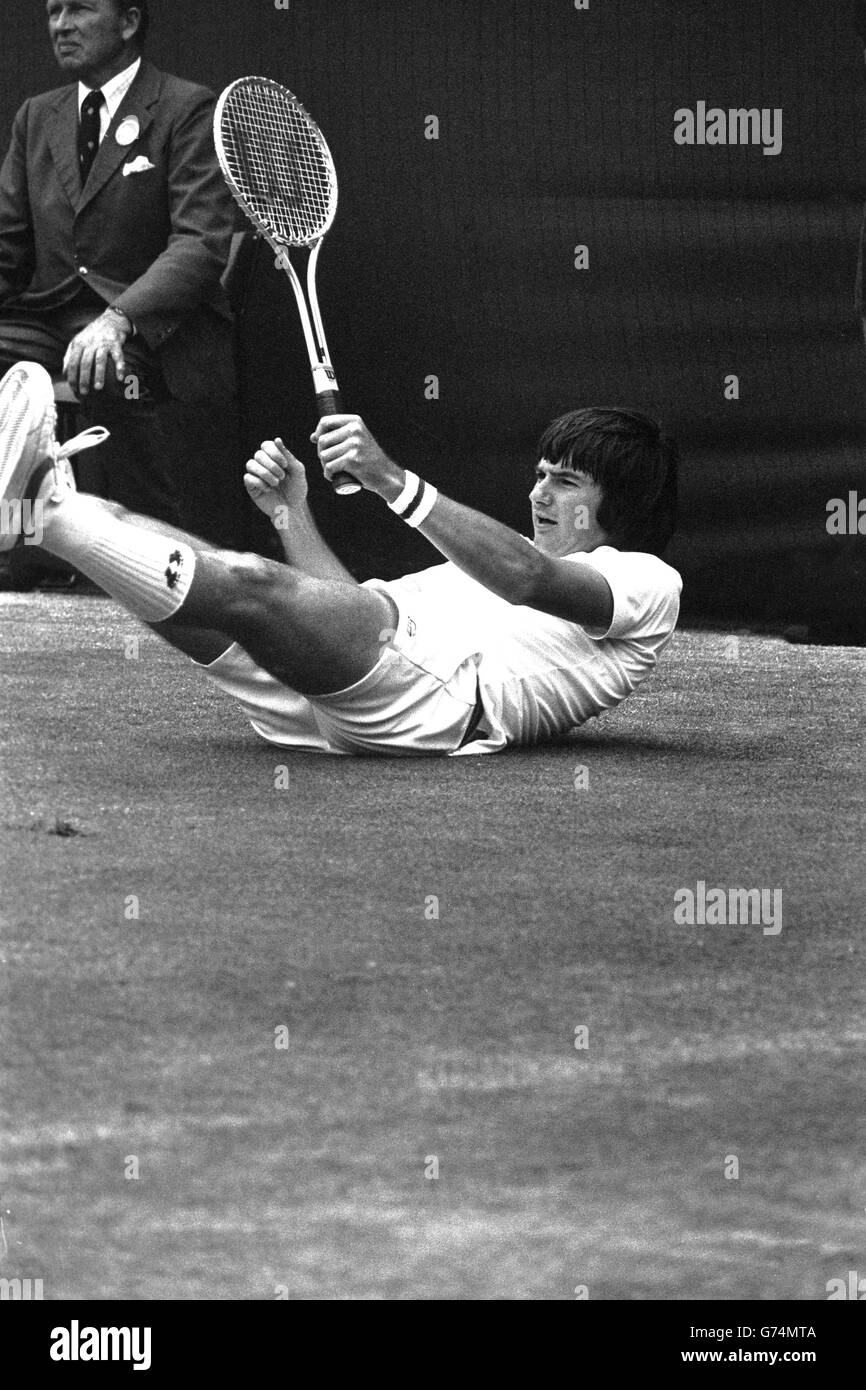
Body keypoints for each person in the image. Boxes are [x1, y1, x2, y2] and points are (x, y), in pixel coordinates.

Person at [0, 360, 682, 756]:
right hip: (355, 700)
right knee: (130, 528)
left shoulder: (647, 581)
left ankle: (47, 506)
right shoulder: (477, 568)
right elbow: (349, 614)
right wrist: (290, 512)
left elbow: (529, 578)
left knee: (251, 582)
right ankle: (36, 517)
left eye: (565, 481)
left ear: (616, 503)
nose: (540, 492)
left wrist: (393, 481)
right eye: (538, 474)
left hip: (443, 703)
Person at [0, 0, 237, 585]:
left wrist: (118, 318)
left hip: (154, 325)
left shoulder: (185, 108)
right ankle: (18, 533)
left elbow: (201, 244)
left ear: (128, 22)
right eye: (54, 12)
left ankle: (138, 561)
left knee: (106, 368)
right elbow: (8, 246)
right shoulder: (37, 116)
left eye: (78, 10)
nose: (61, 25)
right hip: (50, 313)